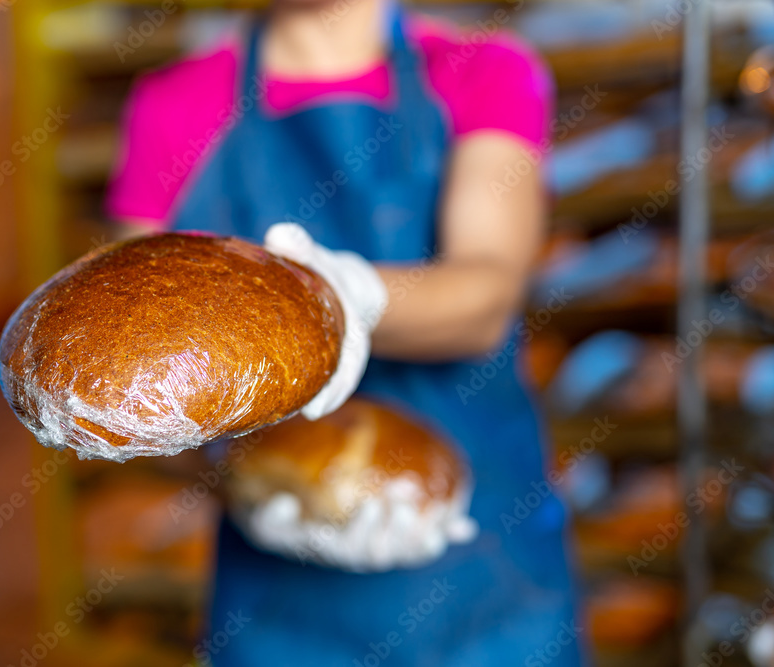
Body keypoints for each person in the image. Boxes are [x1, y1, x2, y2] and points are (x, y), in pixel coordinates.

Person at [105, 0, 585, 663]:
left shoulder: (484, 72)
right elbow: (140, 375)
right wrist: (231, 471)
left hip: (485, 567)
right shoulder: (176, 103)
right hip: (280, 599)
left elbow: (486, 297)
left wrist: (341, 296)